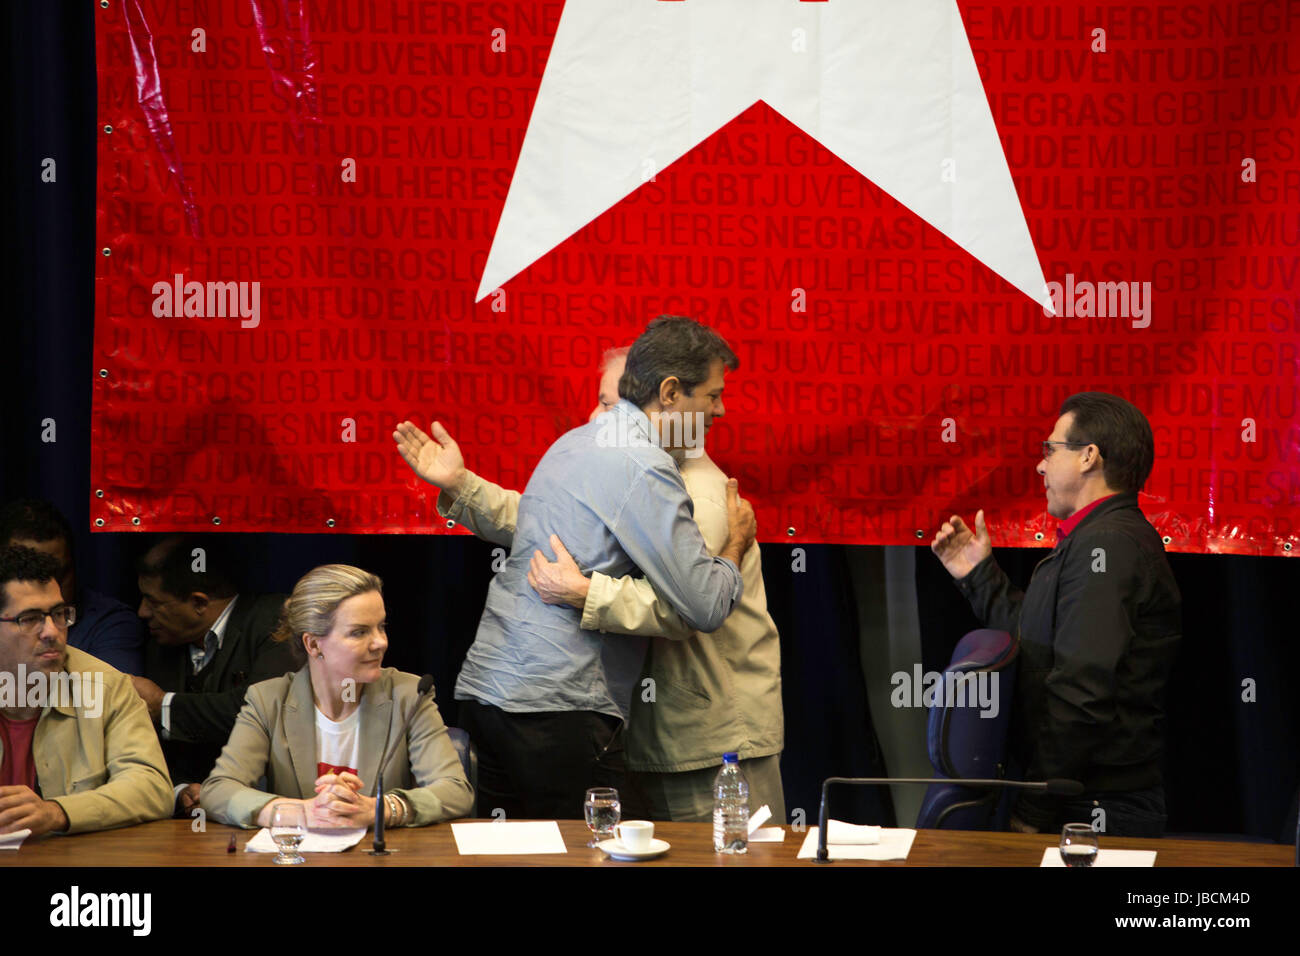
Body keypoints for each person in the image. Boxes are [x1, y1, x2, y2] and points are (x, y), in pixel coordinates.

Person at [400, 345, 785, 822]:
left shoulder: (696, 493)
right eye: (605, 402)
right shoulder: (616, 462)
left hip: (712, 738)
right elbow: (549, 525)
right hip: (650, 726)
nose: (600, 417)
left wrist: (587, 593)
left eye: (612, 404)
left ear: (657, 400)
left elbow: (689, 605)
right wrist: (462, 486)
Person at [930, 392, 1181, 837]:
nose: (1040, 465)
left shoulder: (1108, 547)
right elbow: (1039, 645)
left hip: (1092, 808)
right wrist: (976, 575)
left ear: (1089, 457)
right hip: (1078, 800)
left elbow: (1080, 691)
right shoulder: (1093, 542)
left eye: (1050, 450)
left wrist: (1035, 810)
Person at [201, 564, 472, 828]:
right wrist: (303, 813)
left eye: (381, 626)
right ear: (314, 644)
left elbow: (455, 790)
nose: (381, 642)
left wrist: (381, 809)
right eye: (359, 632)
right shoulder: (268, 700)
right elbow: (218, 791)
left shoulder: (409, 695)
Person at [0, 546, 172, 835]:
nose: (52, 631)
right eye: (30, 619)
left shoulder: (107, 687)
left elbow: (151, 786)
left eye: (58, 613)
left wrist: (58, 812)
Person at [132, 535, 296, 816]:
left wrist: (163, 706)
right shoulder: (160, 644)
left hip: (265, 813)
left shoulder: (275, 622)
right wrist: (180, 789)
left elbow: (257, 711)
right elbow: (146, 743)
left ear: (198, 602)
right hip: (186, 822)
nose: (142, 612)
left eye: (153, 601)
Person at [0, 499, 145, 675]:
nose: (50, 586)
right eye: (29, 573)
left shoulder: (110, 622)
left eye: (59, 574)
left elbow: (109, 691)